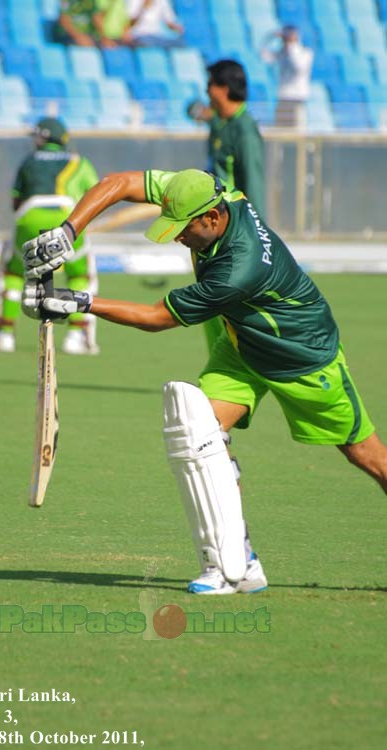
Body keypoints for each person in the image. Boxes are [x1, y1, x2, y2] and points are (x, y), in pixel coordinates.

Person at [21, 168, 387, 595]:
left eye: (184, 229)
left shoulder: (238, 270)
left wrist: (79, 301)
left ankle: (238, 561)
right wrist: (69, 230)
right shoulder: (207, 191)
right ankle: (239, 561)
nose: (178, 238)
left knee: (367, 456)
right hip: (242, 347)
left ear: (212, 219)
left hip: (302, 357)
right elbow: (121, 183)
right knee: (203, 436)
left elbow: (157, 317)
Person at [0, 117, 100, 355]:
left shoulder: (29, 160)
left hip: (29, 214)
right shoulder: (79, 162)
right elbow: (95, 194)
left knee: (14, 273)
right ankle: (77, 336)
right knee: (79, 274)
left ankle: (4, 334)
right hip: (67, 217)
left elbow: (16, 200)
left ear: (43, 138)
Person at [187, 59, 266, 351]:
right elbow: (196, 112)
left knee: (228, 306)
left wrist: (257, 237)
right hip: (211, 230)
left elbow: (253, 185)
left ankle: (237, 367)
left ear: (222, 89)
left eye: (209, 85)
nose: (206, 91)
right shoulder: (221, 122)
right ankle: (218, 367)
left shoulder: (244, 130)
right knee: (209, 307)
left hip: (232, 233)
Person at [261, 25, 313, 129]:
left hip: (297, 99)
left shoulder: (305, 53)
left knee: (298, 134)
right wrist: (269, 38)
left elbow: (298, 67)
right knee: (280, 133)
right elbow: (264, 57)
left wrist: (291, 44)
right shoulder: (281, 53)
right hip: (283, 98)